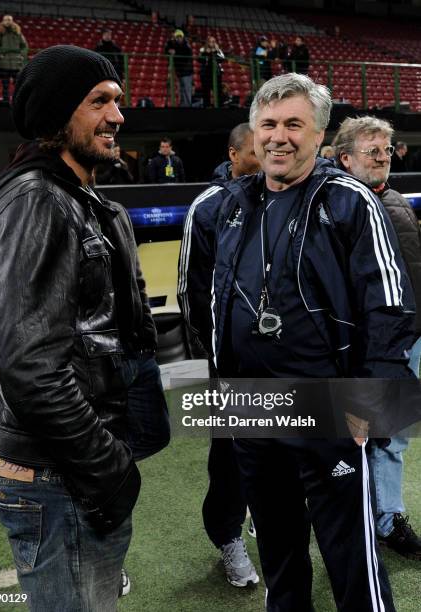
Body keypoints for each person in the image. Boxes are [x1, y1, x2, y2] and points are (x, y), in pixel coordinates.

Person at [178, 72, 415, 611]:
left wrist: (371, 407)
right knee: (280, 550)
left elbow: (391, 306)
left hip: (329, 404)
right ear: (254, 131)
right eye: (268, 124)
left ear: (319, 136)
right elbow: (205, 306)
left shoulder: (350, 201)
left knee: (350, 552)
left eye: (293, 124)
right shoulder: (227, 206)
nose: (278, 136)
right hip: (252, 404)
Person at [0, 45, 164, 612]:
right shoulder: (38, 201)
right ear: (60, 117)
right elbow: (31, 368)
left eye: (118, 101)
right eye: (99, 101)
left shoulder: (71, 194)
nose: (118, 116)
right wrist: (108, 468)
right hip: (61, 473)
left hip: (68, 466)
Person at [332, 115, 421, 561]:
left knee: (394, 437)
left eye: (388, 150)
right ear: (344, 158)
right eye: (373, 151)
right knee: (352, 439)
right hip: (365, 348)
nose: (384, 157)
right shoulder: (335, 208)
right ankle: (352, 522)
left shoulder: (398, 200)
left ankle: (387, 520)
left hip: (409, 340)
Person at [179, 122, 260, 588]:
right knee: (232, 454)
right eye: (256, 148)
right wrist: (221, 352)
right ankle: (228, 536)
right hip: (231, 361)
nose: (267, 153)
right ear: (233, 154)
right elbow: (192, 292)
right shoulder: (208, 207)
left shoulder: (283, 196)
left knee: (285, 451)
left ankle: (266, 524)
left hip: (286, 359)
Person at [0, 14, 27, 104]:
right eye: (6, 20)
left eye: (9, 20)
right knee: (5, 85)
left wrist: (21, 55)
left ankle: (18, 101)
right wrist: (0, 54)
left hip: (16, 63)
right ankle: (6, 101)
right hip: (4, 63)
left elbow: (24, 46)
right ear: (3, 21)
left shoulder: (18, 33)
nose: (8, 21)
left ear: (12, 21)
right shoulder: (0, 33)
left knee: (18, 84)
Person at [165, 29, 193, 107]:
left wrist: (175, 52)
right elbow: (167, 49)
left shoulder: (186, 45)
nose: (178, 38)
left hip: (187, 71)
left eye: (180, 37)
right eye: (177, 37)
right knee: (181, 89)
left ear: (183, 37)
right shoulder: (174, 44)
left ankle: (188, 105)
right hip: (179, 71)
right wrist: (170, 43)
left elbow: (186, 53)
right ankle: (182, 105)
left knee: (186, 90)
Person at [198, 36, 225, 108]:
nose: (212, 43)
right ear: (207, 42)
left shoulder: (218, 50)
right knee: (206, 92)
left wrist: (216, 50)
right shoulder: (203, 49)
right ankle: (207, 106)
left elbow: (222, 59)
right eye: (210, 41)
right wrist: (206, 53)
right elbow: (200, 59)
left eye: (213, 41)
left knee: (218, 91)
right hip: (206, 74)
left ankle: (219, 107)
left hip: (216, 74)